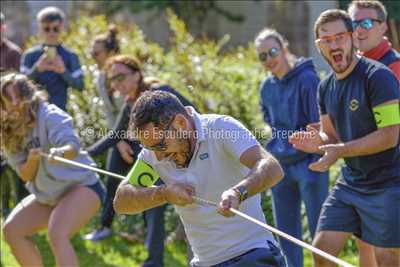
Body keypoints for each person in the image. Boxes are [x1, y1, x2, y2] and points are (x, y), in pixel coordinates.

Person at [114, 90, 287, 267]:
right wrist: (163, 194)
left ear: (181, 123)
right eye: (149, 148)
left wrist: (238, 192)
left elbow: (271, 167)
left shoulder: (221, 128)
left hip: (251, 254)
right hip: (204, 262)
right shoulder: (153, 153)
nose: (158, 156)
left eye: (160, 145)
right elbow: (121, 201)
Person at [289, 9, 400, 267]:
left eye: (340, 37)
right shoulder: (325, 87)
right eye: (327, 40)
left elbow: (390, 135)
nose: (334, 44)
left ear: (352, 38)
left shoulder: (379, 76)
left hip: (389, 181)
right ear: (319, 46)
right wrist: (321, 142)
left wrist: (338, 150)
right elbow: (332, 134)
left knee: (388, 258)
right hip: (351, 183)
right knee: (322, 251)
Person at [87, 55, 195, 267]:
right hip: (150, 158)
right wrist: (84, 154)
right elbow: (116, 134)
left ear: (137, 74)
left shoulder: (160, 93)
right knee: (148, 201)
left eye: (121, 77)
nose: (117, 84)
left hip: (176, 157)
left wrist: (181, 148)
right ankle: (150, 258)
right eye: (113, 81)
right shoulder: (131, 103)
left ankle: (159, 260)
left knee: (163, 207)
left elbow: (194, 114)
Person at [0, 73, 106, 267]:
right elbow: (25, 174)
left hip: (83, 187)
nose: (13, 104)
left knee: (57, 233)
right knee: (12, 230)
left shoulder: (49, 114)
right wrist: (32, 159)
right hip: (49, 194)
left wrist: (60, 152)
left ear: (27, 96)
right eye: (6, 100)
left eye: (16, 97)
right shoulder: (7, 133)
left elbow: (72, 146)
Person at [255, 28, 329, 267]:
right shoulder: (266, 87)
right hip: (281, 166)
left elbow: (318, 123)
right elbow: (270, 121)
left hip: (310, 163)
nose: (269, 59)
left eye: (273, 51)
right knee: (286, 234)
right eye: (262, 56)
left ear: (284, 48)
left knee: (321, 233)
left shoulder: (308, 79)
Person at [83, 25, 125, 242]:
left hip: (140, 136)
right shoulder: (101, 78)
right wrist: (118, 142)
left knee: (147, 184)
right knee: (112, 182)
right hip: (118, 138)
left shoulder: (125, 72)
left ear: (109, 52)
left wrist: (126, 140)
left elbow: (134, 111)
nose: (92, 56)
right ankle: (105, 227)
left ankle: (151, 235)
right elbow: (110, 114)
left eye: (95, 52)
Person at [20, 6, 84, 111]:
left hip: (61, 113)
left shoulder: (70, 55)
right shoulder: (30, 55)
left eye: (56, 28)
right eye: (46, 28)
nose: (51, 33)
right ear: (39, 28)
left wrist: (63, 71)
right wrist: (37, 69)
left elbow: (80, 86)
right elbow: (20, 87)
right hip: (34, 114)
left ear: (62, 26)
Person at [0, 12, 29, 215]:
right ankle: (4, 205)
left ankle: (19, 207)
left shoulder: (13, 53)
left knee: (13, 162)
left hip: (9, 115)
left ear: (3, 28)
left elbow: (18, 86)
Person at [348, 0, 400, 80]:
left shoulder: (395, 66)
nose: (358, 30)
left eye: (366, 23)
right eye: (353, 24)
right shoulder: (352, 63)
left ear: (383, 27)